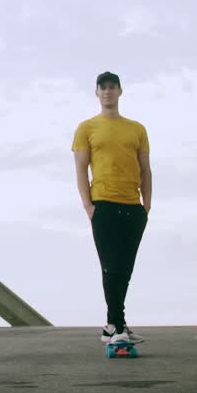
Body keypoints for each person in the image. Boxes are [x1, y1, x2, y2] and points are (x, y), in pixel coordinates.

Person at [72, 71, 151, 346]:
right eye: (102, 87)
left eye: (112, 87)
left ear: (120, 91)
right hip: (103, 205)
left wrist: (146, 206)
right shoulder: (86, 128)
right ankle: (115, 325)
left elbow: (145, 169)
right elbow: (81, 169)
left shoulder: (137, 129)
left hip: (132, 206)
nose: (107, 91)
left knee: (125, 269)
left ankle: (114, 326)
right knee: (111, 267)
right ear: (96, 92)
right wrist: (88, 206)